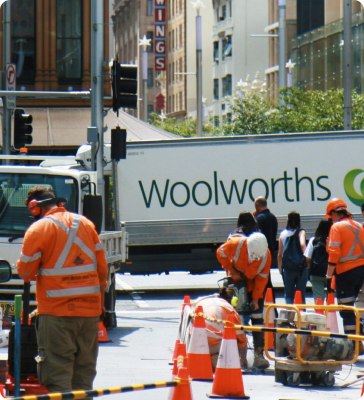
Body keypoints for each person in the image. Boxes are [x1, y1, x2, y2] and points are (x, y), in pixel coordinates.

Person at [16, 185, 108, 395]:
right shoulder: (86, 224)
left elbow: (26, 273)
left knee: (58, 374)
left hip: (57, 313)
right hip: (89, 312)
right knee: (83, 375)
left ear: (34, 208)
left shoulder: (38, 229)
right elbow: (102, 269)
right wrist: (99, 303)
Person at [217, 215, 271, 370]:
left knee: (257, 316)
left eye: (257, 257)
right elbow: (220, 254)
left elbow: (262, 279)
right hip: (237, 281)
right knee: (234, 318)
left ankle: (258, 355)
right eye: (252, 256)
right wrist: (232, 270)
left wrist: (255, 300)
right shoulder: (236, 244)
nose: (254, 259)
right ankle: (238, 356)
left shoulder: (265, 255)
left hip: (254, 284)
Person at [325, 198, 364, 347]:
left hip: (345, 273)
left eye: (331, 216)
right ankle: (357, 340)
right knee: (352, 306)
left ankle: (353, 345)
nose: (331, 220)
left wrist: (328, 277)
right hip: (360, 272)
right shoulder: (359, 226)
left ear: (335, 213)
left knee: (345, 309)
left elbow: (334, 253)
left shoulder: (337, 228)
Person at [192, 287, 248, 370]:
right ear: (233, 301)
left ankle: (211, 358)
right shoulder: (231, 310)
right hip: (217, 345)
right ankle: (220, 359)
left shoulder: (203, 302)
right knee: (234, 338)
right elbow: (241, 339)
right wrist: (243, 359)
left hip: (196, 345)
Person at [277, 211, 308, 304]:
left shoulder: (283, 234)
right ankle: (301, 315)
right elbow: (303, 245)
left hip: (288, 267)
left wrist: (280, 267)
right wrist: (306, 261)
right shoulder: (301, 232)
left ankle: (290, 315)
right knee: (301, 292)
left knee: (289, 293)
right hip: (301, 268)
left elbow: (279, 254)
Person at [254, 196, 278, 305]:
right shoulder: (273, 217)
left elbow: (257, 235)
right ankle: (271, 302)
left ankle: (267, 303)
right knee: (267, 277)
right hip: (271, 250)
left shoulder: (260, 218)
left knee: (264, 279)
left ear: (257, 205)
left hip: (262, 252)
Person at [304, 219, 333, 302]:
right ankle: (330, 314)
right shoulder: (334, 241)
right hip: (330, 272)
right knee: (331, 296)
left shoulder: (313, 240)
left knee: (318, 298)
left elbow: (307, 258)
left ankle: (319, 313)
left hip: (316, 272)